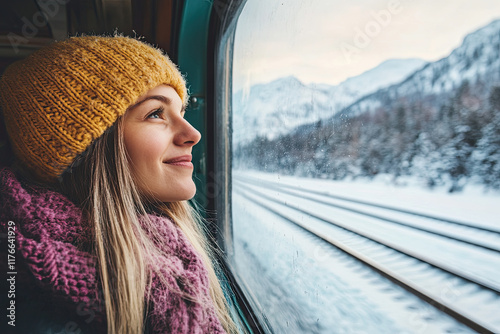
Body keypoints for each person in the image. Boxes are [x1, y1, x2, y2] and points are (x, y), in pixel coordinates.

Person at [0, 35, 237, 334]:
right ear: (87, 150)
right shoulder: (42, 310)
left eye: (182, 113)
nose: (193, 133)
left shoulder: (169, 246)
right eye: (156, 114)